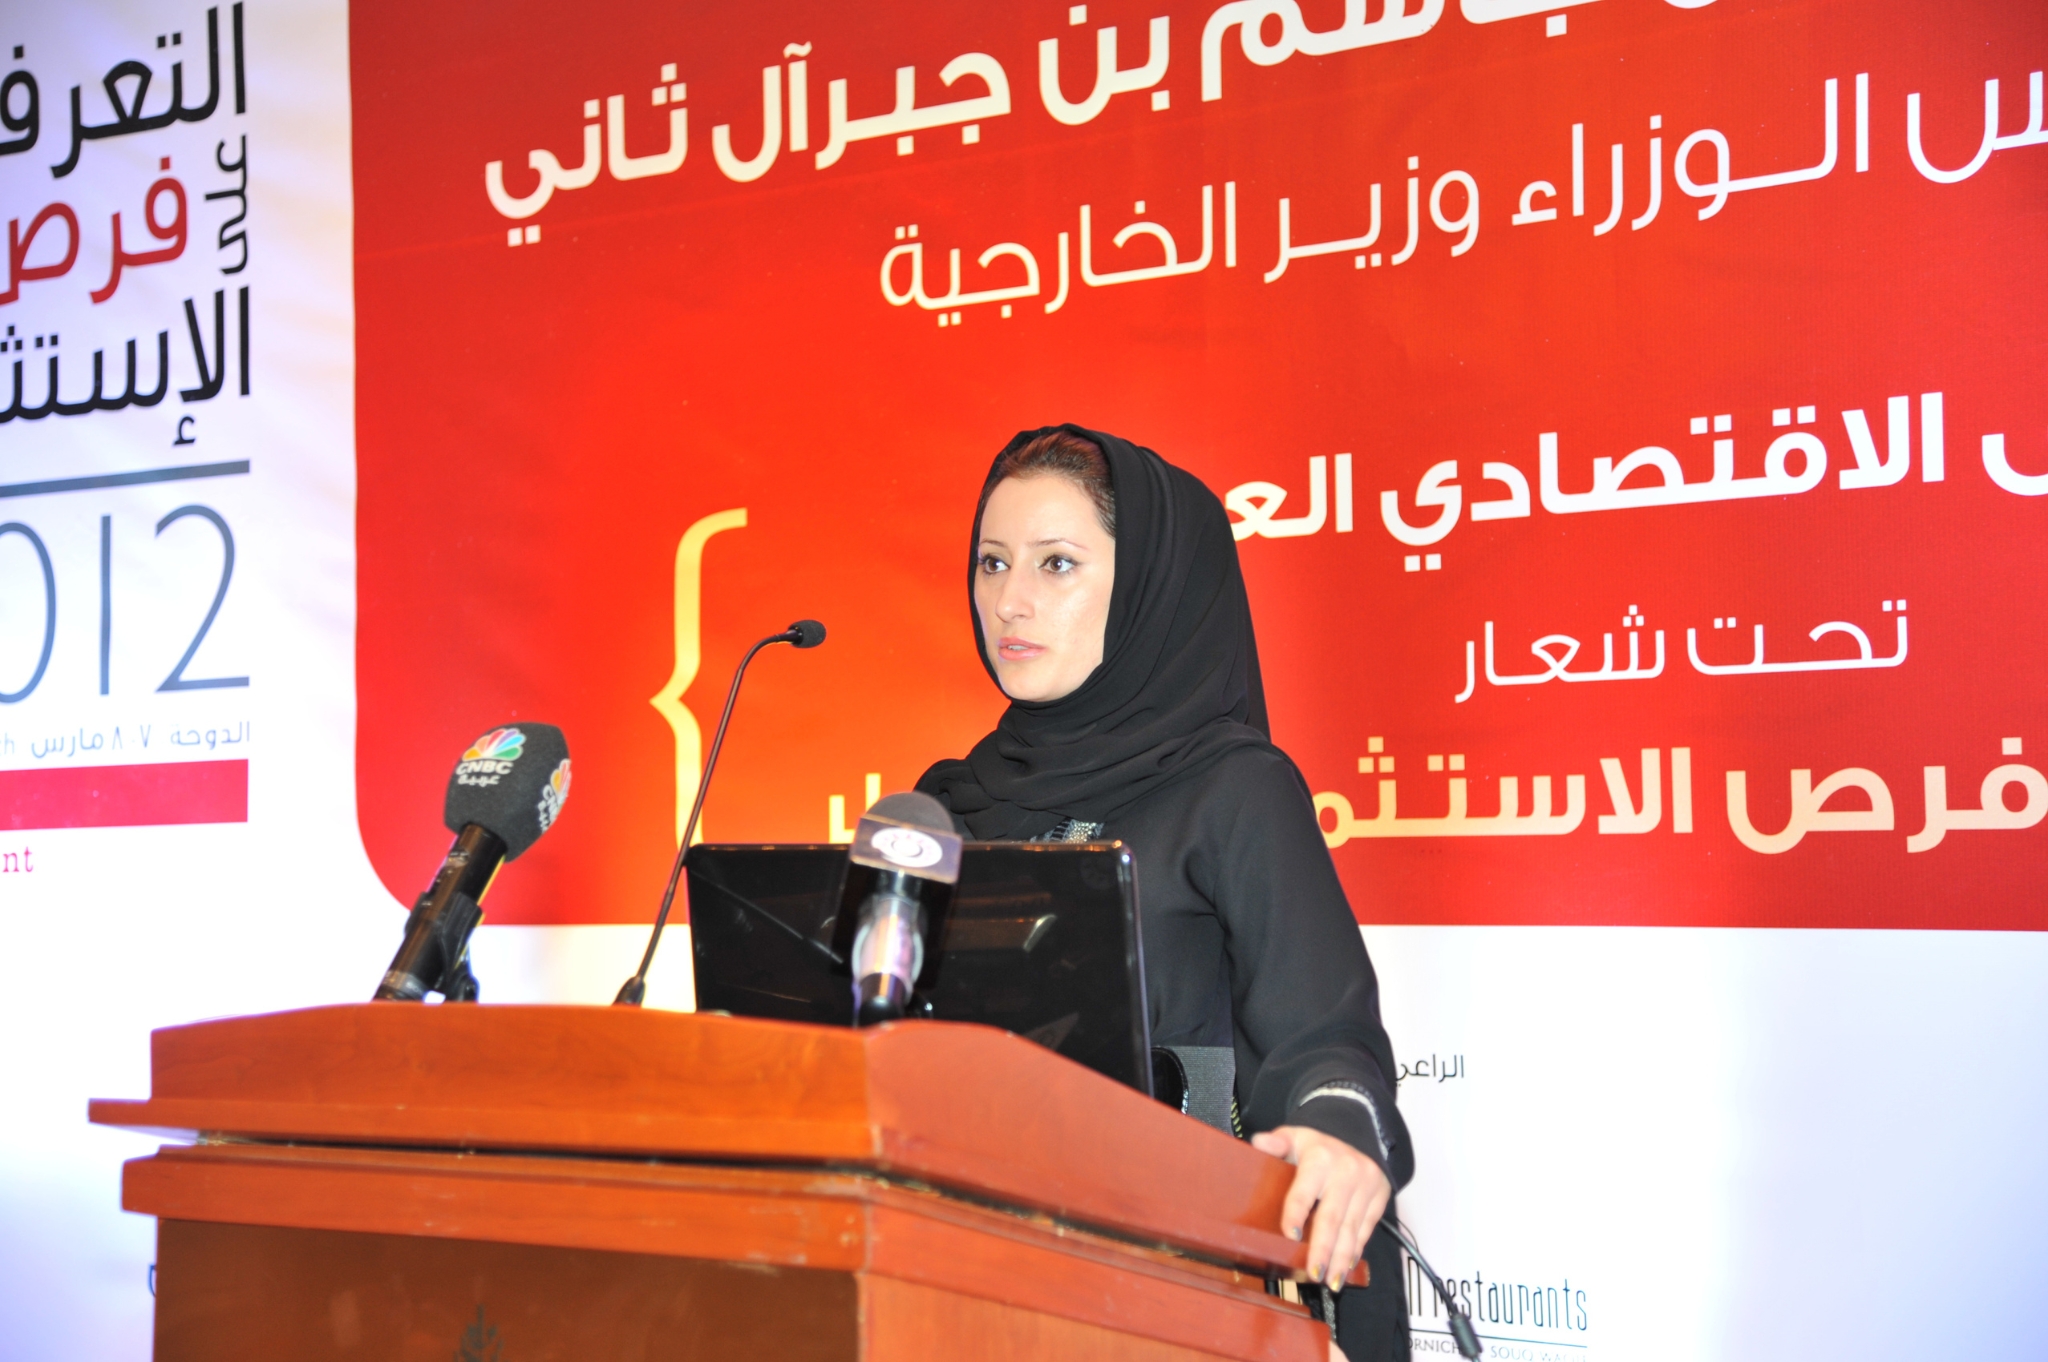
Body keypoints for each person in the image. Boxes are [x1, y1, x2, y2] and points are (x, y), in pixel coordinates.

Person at [917, 425, 1415, 1361]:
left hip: (1178, 1286)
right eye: (992, 563)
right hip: (970, 1282)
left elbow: (1323, 1034)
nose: (1009, 600)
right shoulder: (947, 804)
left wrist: (1335, 1131)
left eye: (1057, 564)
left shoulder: (1234, 790)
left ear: (1150, 587)